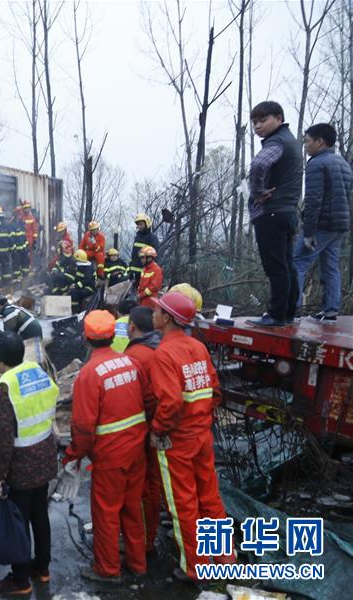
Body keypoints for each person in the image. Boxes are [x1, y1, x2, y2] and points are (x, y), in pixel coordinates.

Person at [149, 292, 233, 581]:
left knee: (183, 504)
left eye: (158, 310)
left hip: (178, 441)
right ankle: (225, 559)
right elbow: (215, 389)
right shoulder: (197, 346)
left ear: (168, 318)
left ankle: (195, 568)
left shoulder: (163, 354)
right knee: (210, 496)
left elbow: (170, 403)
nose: (154, 313)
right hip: (201, 434)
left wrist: (159, 430)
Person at [64, 311, 147, 583]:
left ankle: (108, 569)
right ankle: (138, 563)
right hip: (137, 449)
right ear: (113, 335)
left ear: (86, 338)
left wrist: (73, 455)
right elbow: (147, 400)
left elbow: (84, 426)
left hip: (111, 455)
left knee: (107, 513)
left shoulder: (89, 374)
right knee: (133, 509)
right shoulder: (129, 362)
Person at [0, 332, 59, 596]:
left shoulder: (5, 387)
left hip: (21, 466)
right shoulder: (37, 371)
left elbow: (3, 439)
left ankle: (20, 580)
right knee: (40, 517)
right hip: (44, 456)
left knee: (18, 524)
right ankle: (41, 567)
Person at [247, 101, 304, 327]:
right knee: (286, 263)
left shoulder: (277, 141)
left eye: (263, 120)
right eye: (254, 122)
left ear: (278, 118)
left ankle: (276, 314)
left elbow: (258, 164)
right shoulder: (290, 141)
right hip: (288, 212)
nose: (258, 126)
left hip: (272, 212)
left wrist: (258, 192)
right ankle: (289, 312)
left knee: (276, 266)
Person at [292, 122, 353, 324]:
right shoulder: (342, 163)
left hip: (322, 225)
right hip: (339, 225)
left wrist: (308, 232)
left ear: (320, 141)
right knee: (330, 266)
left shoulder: (317, 164)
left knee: (297, 262)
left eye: (308, 141)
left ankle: (291, 310)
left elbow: (314, 200)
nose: (305, 146)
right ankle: (330, 312)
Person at [123, 306, 163, 555]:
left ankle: (143, 543)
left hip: (147, 428)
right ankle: (147, 536)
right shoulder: (160, 347)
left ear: (132, 327)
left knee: (145, 486)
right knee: (155, 483)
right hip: (162, 426)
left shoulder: (137, 355)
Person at [130, 214, 159, 282]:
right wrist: (131, 270)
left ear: (147, 224)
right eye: (138, 225)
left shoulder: (152, 238)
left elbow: (155, 256)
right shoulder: (137, 237)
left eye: (141, 224)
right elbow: (134, 255)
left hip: (146, 273)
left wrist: (151, 271)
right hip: (136, 273)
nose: (139, 226)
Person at [71, 249, 96, 314]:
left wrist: (76, 285)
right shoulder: (80, 266)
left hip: (89, 288)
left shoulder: (88, 268)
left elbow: (87, 280)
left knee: (74, 293)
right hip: (82, 286)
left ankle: (75, 311)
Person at [9, 208, 29, 283]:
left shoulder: (22, 223)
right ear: (16, 215)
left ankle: (25, 279)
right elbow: (11, 238)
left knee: (25, 264)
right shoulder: (12, 224)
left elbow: (24, 237)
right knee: (16, 266)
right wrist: (13, 248)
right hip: (16, 250)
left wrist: (26, 246)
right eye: (19, 214)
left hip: (23, 249)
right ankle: (17, 280)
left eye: (21, 214)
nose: (21, 216)